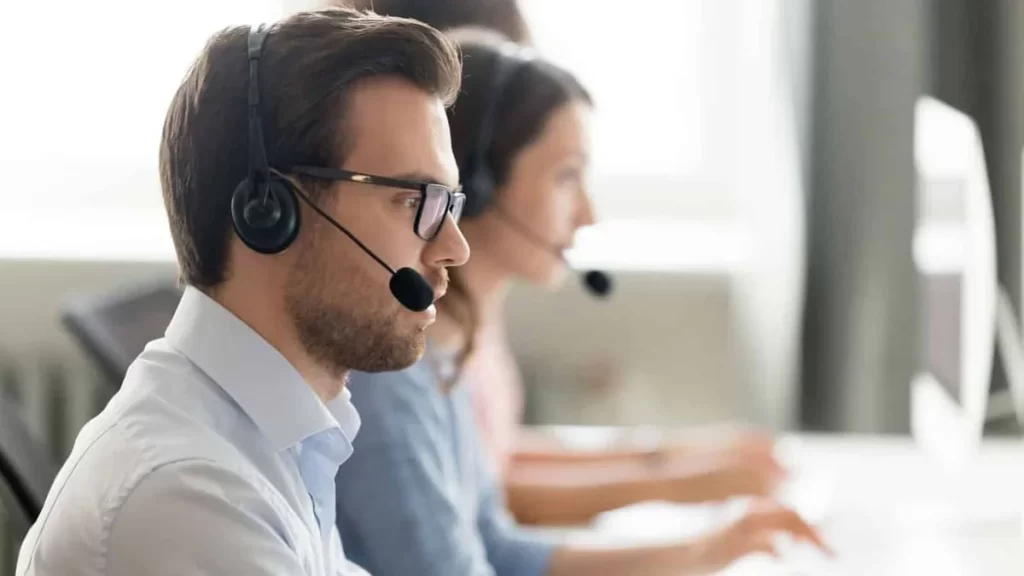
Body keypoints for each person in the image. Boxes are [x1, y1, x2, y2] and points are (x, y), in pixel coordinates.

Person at [333, 28, 828, 576]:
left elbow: (495, 544)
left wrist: (706, 551)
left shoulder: (443, 351)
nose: (589, 212)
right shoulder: (396, 375)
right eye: (567, 176)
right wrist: (679, 494)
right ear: (480, 182)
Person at [16, 8, 469, 575]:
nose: (454, 247)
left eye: (449, 203)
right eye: (414, 200)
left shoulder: (279, 443)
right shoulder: (191, 497)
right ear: (268, 212)